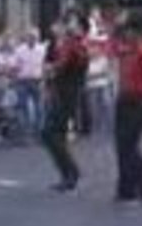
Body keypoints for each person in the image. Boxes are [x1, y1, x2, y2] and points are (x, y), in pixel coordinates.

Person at [110, 11, 142, 206]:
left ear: (136, 31)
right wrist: (118, 29)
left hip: (139, 98)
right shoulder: (129, 45)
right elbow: (113, 47)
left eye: (130, 30)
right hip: (125, 96)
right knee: (122, 145)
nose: (126, 34)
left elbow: (125, 52)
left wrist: (122, 30)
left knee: (128, 145)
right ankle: (126, 189)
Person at [41, 11, 90, 192]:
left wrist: (51, 69)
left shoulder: (77, 44)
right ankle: (68, 174)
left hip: (67, 94)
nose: (66, 26)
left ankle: (71, 173)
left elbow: (60, 66)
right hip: (62, 91)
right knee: (53, 134)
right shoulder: (66, 44)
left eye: (71, 23)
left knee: (51, 133)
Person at [13, 30, 45, 138]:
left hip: (38, 80)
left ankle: (39, 132)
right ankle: (26, 132)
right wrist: (14, 76)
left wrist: (44, 79)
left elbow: (45, 65)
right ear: (27, 38)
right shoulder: (20, 49)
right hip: (23, 81)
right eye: (30, 36)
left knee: (39, 107)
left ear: (38, 38)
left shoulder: (42, 49)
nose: (32, 39)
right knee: (23, 106)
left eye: (34, 37)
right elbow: (15, 65)